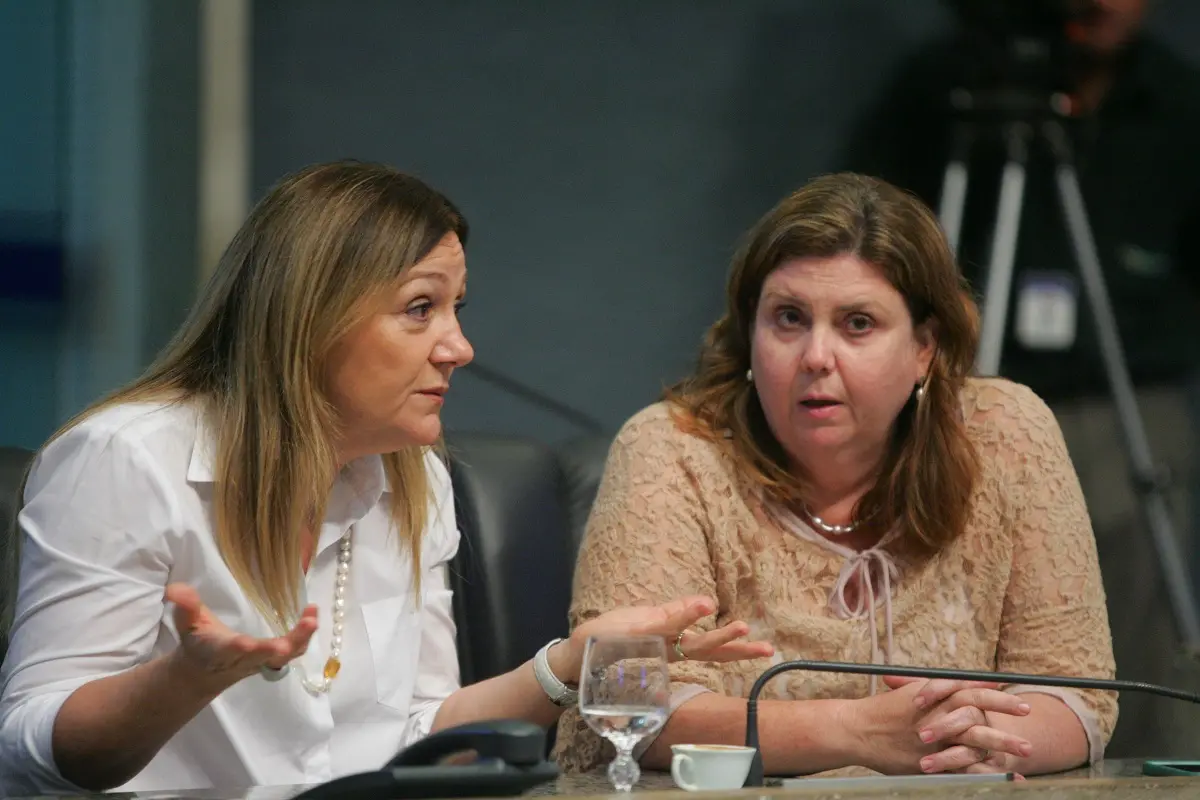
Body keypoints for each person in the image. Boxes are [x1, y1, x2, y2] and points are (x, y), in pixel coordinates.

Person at [0, 161, 774, 795]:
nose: (458, 347)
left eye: (455, 308)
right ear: (312, 318)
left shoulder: (414, 481)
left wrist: (570, 664)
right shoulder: (124, 460)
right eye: (419, 309)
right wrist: (181, 682)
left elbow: (420, 732)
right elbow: (30, 747)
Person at [554, 173, 1117, 779]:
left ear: (924, 347)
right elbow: (625, 705)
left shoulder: (1005, 435)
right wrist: (861, 733)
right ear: (750, 332)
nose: (816, 357)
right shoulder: (672, 451)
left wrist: (958, 743)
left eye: (858, 324)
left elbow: (1077, 694)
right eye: (789, 318)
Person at [836, 0, 1200, 759]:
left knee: (1137, 628)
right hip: (962, 404)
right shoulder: (952, 85)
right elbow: (863, 235)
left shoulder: (1175, 99)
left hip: (1122, 402)